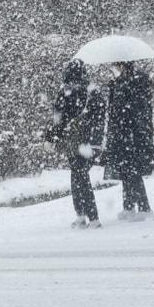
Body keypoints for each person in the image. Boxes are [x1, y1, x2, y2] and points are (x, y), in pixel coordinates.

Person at [47, 59, 107, 228]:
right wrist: (96, 143)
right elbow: (99, 118)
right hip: (87, 143)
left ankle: (84, 216)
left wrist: (50, 137)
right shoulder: (91, 91)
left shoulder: (65, 90)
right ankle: (89, 216)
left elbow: (57, 118)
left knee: (77, 177)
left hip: (72, 141)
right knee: (80, 176)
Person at [104, 60, 154, 220]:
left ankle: (143, 207)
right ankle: (129, 206)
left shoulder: (130, 83)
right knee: (127, 171)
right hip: (131, 134)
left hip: (129, 134)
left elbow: (124, 110)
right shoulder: (130, 81)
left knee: (131, 171)